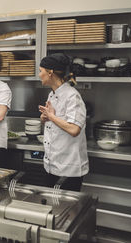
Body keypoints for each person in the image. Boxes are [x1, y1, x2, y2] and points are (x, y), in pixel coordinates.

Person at [38, 53, 88, 192]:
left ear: (50, 73)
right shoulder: (52, 94)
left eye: (41, 71)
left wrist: (51, 116)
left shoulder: (72, 96)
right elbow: (56, 121)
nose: (39, 74)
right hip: (52, 164)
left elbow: (74, 129)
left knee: (66, 211)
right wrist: (45, 118)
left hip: (68, 168)